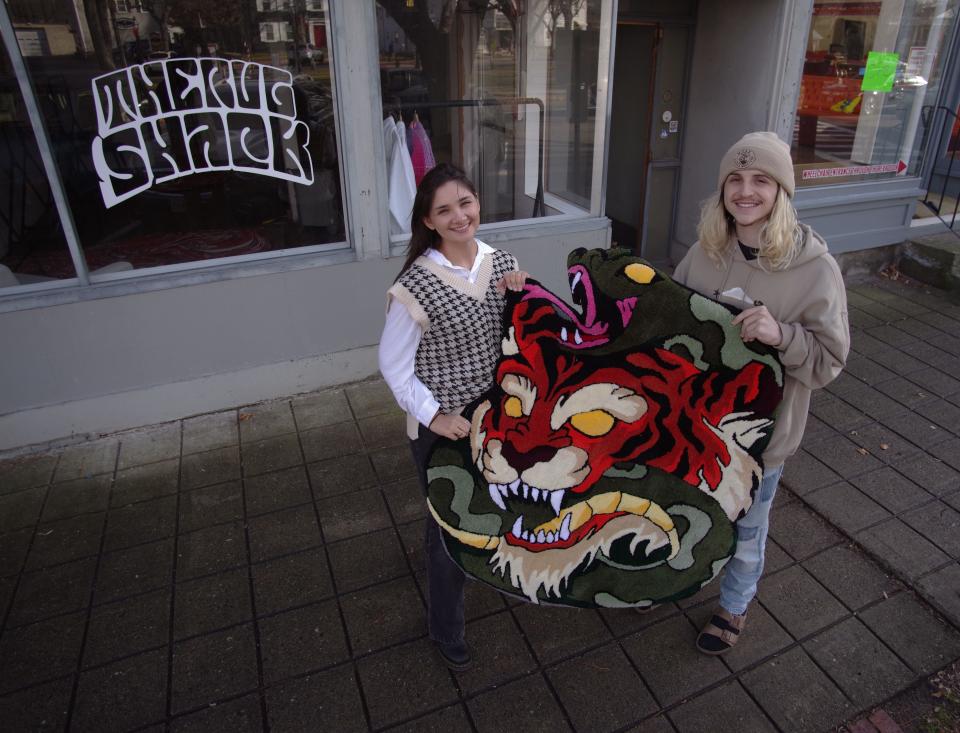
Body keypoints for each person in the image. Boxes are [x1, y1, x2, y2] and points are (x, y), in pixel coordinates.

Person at [672, 131, 850, 655]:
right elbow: (672, 317)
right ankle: (674, 579)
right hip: (697, 424)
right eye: (735, 179)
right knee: (692, 512)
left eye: (761, 181)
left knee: (747, 529)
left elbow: (829, 362)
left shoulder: (815, 268)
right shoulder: (706, 251)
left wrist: (783, 336)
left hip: (761, 438)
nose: (745, 191)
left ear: (781, 192)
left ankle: (733, 605)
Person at [378, 163, 527, 670]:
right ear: (429, 220)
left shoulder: (500, 260)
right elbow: (392, 365)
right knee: (449, 528)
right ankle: (445, 629)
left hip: (493, 418)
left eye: (465, 202)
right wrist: (434, 415)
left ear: (478, 202)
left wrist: (520, 294)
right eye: (444, 209)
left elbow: (512, 336)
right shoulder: (416, 284)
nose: (459, 215)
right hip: (444, 426)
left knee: (478, 505)